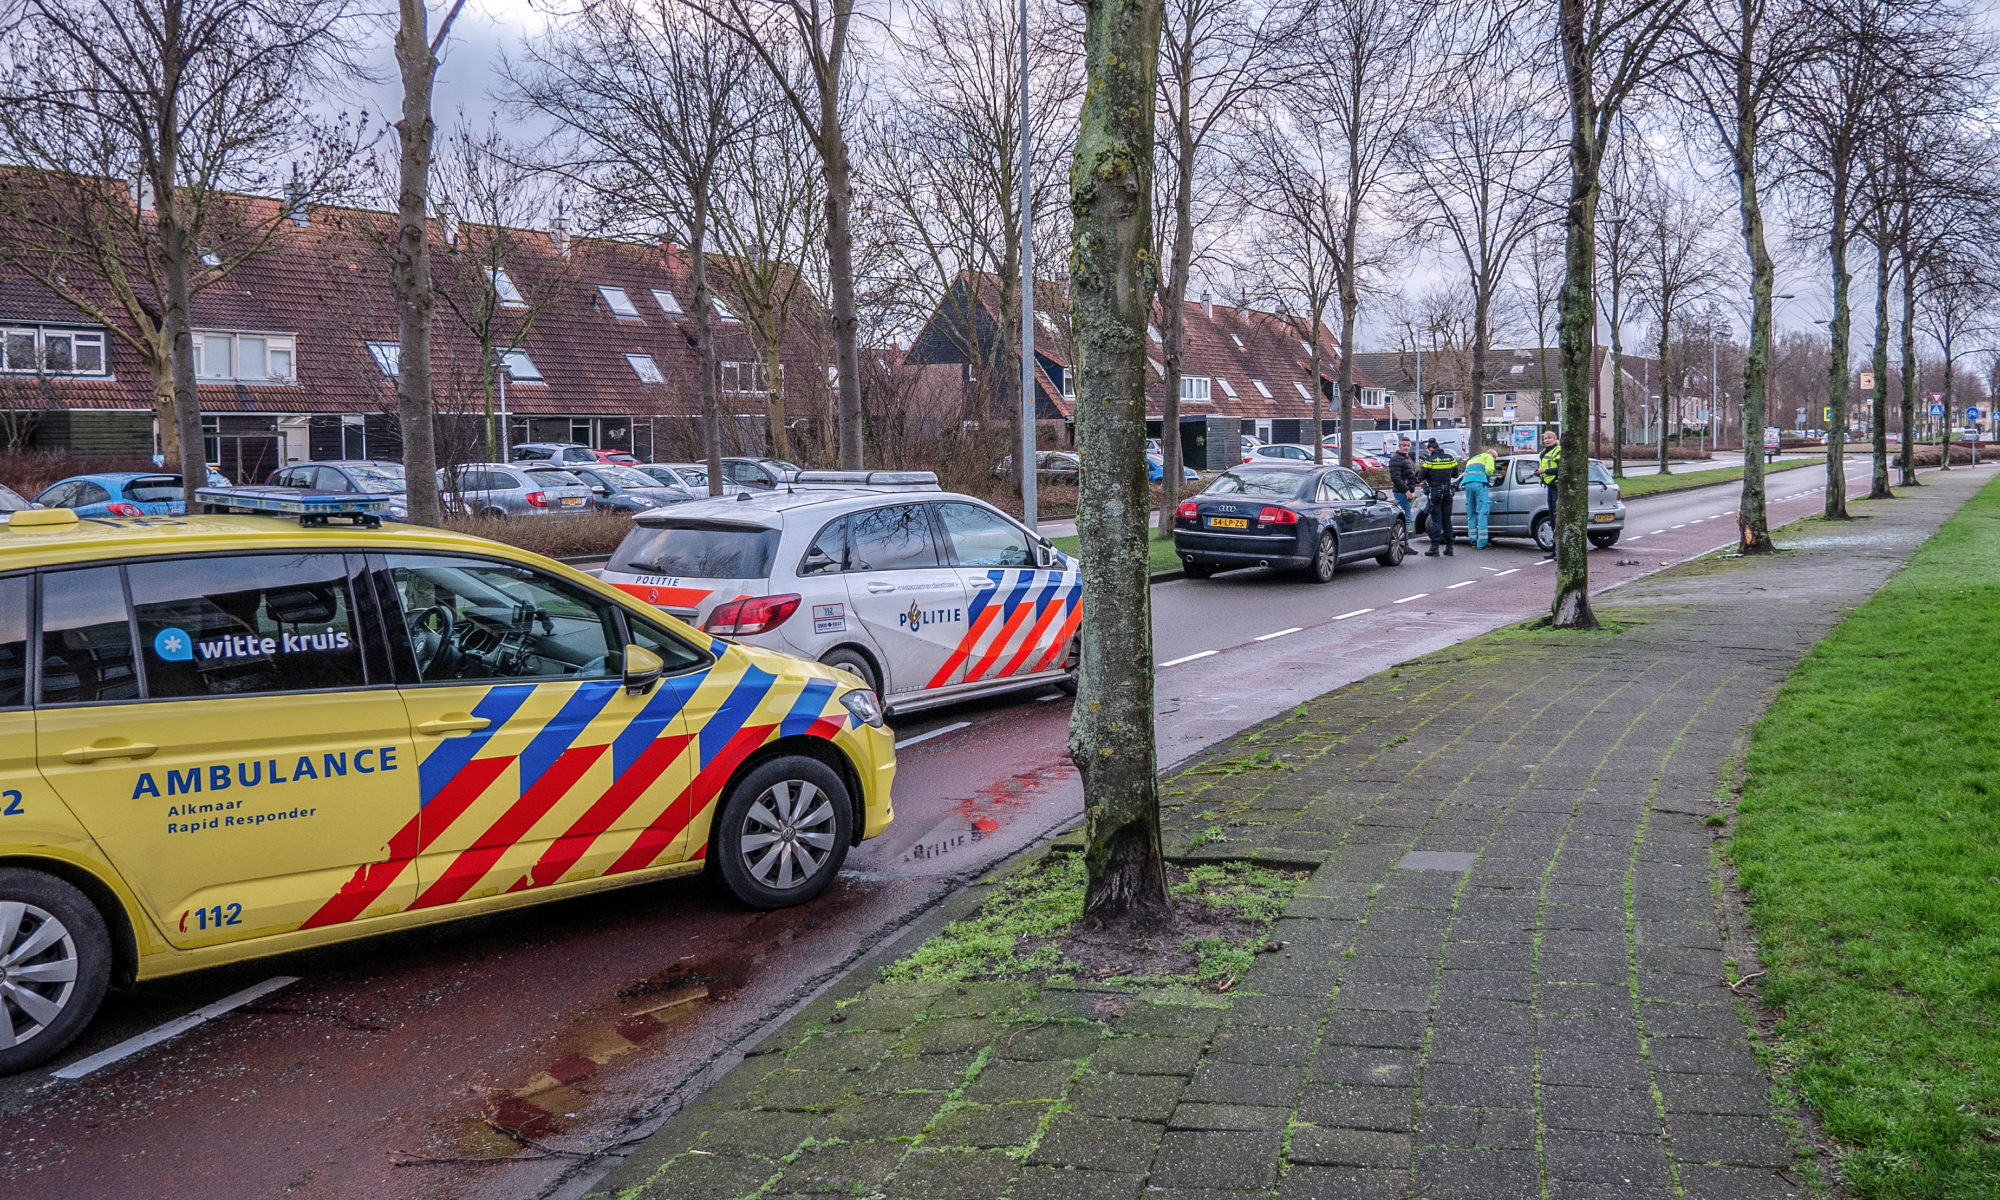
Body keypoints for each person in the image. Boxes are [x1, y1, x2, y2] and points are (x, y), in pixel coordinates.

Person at [1418, 437, 1459, 556]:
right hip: (1448, 492)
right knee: (1447, 521)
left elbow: (1420, 477)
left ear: (1431, 449)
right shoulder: (1450, 458)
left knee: (1436, 521)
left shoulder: (1430, 460)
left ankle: (1434, 548)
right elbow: (1455, 474)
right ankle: (1449, 547)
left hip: (1435, 492)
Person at [1461, 445, 1496, 548]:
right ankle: (1482, 543)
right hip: (1479, 484)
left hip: (1467, 484)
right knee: (1482, 512)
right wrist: (1488, 479)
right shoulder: (1488, 457)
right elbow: (1489, 470)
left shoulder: (1473, 458)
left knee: (1471, 513)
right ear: (1492, 455)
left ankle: (1473, 540)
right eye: (1495, 458)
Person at [1536, 428, 1561, 558]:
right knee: (1552, 517)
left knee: (1557, 518)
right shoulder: (1542, 453)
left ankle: (1559, 551)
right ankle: (1554, 549)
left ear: (1555, 439)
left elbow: (1561, 468)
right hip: (1549, 487)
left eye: (1549, 438)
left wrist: (1544, 471)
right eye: (1545, 438)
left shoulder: (1558, 450)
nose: (1547, 440)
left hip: (1557, 486)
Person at [1387, 437, 1416, 526]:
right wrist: (1406, 490)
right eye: (1404, 445)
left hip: (1407, 492)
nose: (1406, 447)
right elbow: (1396, 478)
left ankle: (1405, 539)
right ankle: (1405, 539)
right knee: (1405, 519)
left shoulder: (1407, 458)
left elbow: (1410, 474)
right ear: (1399, 446)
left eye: (1408, 445)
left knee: (1407, 518)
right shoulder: (1396, 459)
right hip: (1401, 493)